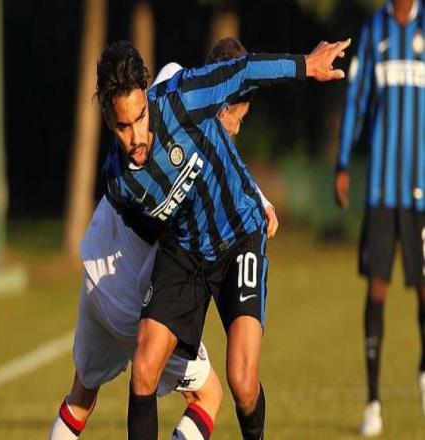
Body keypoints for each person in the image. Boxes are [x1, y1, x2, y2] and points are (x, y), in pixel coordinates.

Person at [99, 38, 349, 439]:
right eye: (123, 127)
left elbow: (244, 71)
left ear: (146, 96)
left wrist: (307, 64)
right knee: (143, 369)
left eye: (140, 117)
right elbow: (137, 220)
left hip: (239, 236)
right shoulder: (117, 180)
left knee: (242, 383)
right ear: (108, 121)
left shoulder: (183, 99)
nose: (136, 136)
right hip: (185, 251)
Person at [49, 53, 278, 440]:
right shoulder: (180, 103)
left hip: (93, 274)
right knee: (209, 395)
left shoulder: (126, 152)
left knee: (81, 396)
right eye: (235, 120)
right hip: (129, 293)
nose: (233, 131)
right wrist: (260, 201)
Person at [334, 0, 424, 436]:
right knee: (376, 290)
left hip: (423, 191)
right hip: (382, 191)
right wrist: (342, 161)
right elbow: (356, 98)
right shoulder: (374, 31)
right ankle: (373, 402)